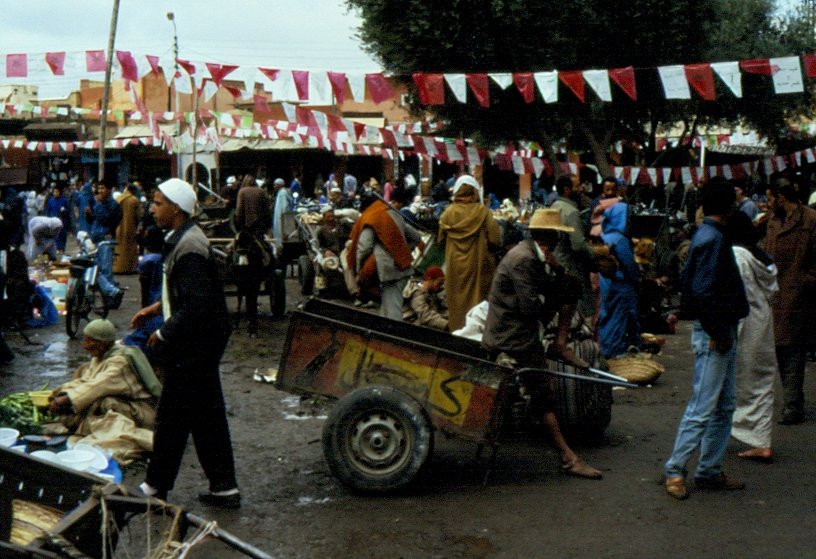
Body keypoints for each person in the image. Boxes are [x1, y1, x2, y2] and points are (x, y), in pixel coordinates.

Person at [131, 178, 240, 508]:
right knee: (206, 416)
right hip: (201, 341)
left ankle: (154, 487)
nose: (152, 208)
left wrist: (164, 332)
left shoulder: (189, 247)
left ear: (176, 209)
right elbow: (184, 294)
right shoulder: (182, 238)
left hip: (195, 345)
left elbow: (197, 304)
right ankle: (224, 488)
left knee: (172, 418)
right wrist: (156, 308)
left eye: (158, 202)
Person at [482, 208, 601, 480]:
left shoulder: (533, 254)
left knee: (569, 283)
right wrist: (549, 302)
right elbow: (529, 307)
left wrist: (557, 272)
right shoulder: (524, 259)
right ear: (551, 238)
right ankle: (568, 457)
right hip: (511, 335)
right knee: (542, 391)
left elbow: (551, 291)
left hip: (518, 326)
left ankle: (559, 344)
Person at [664, 179, 749, 500]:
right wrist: (717, 331)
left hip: (719, 330)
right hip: (716, 332)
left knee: (724, 405)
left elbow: (692, 286)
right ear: (728, 205)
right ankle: (675, 468)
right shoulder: (713, 239)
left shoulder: (707, 235)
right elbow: (701, 291)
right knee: (703, 406)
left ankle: (709, 469)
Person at [47, 319, 161, 463]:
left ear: (103, 343)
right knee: (83, 383)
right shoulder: (100, 356)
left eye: (90, 341)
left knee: (102, 402)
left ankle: (121, 434)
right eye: (85, 339)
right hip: (127, 404)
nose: (85, 345)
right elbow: (85, 380)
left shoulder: (119, 363)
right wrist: (61, 393)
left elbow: (95, 386)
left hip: (144, 412)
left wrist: (66, 399)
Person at [763, 178, 816, 425]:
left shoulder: (810, 220)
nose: (767, 203)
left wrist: (806, 281)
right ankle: (793, 402)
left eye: (770, 198)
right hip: (777, 294)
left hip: (801, 295)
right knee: (782, 348)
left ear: (781, 198)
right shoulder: (773, 221)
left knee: (793, 348)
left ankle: (793, 405)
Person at [727, 211, 778, 463]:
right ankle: (761, 440)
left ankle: (749, 438)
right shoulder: (760, 256)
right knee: (761, 382)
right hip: (763, 324)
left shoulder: (737, 256)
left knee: (736, 381)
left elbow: (737, 296)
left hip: (745, 325)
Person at [438, 175, 501, 331]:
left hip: (454, 267)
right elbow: (495, 239)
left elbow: (440, 240)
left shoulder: (448, 213)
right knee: (477, 303)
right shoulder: (482, 212)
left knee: (456, 302)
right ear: (474, 192)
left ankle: (456, 332)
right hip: (478, 265)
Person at [347, 188, 421, 320]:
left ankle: (396, 338)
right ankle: (385, 336)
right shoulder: (394, 214)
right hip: (402, 267)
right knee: (387, 307)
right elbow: (416, 237)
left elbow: (364, 247)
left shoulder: (372, 217)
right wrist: (404, 250)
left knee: (392, 310)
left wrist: (359, 270)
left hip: (389, 271)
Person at [598, 203, 641, 358]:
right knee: (619, 318)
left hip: (606, 283)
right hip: (621, 285)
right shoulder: (619, 239)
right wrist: (637, 282)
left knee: (608, 316)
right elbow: (629, 266)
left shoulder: (604, 236)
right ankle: (616, 352)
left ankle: (607, 350)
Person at [550, 175, 597, 318]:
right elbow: (578, 245)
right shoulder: (571, 212)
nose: (581, 189)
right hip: (571, 269)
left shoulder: (554, 207)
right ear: (567, 190)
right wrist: (595, 254)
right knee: (577, 313)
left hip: (556, 265)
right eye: (577, 186)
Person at [86, 180, 124, 308]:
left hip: (106, 240)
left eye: (103, 188)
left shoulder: (113, 205)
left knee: (106, 270)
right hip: (96, 239)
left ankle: (112, 297)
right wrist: (88, 214)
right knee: (96, 269)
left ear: (109, 190)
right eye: (99, 188)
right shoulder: (98, 204)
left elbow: (106, 219)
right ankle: (111, 295)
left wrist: (94, 210)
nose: (100, 191)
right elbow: (93, 220)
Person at [403, 266, 448, 330]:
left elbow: (440, 310)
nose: (440, 286)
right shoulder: (417, 293)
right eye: (439, 283)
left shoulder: (432, 294)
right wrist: (447, 325)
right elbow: (425, 316)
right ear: (430, 279)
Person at [113, 183, 143, 274]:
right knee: (130, 249)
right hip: (130, 228)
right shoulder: (134, 200)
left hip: (118, 228)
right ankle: (129, 268)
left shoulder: (118, 199)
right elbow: (139, 215)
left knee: (119, 248)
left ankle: (118, 268)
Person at [44, 184, 70, 252]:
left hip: (62, 221)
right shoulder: (50, 200)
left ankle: (61, 249)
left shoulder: (64, 200)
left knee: (61, 236)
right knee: (54, 237)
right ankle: (55, 250)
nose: (55, 193)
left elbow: (68, 210)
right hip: (52, 222)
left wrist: (64, 210)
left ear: (60, 192)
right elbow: (47, 211)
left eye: (57, 192)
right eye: (54, 192)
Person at [271, 177, 291, 254]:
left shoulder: (283, 193)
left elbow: (284, 207)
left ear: (279, 185)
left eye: (275, 185)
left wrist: (282, 218)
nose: (274, 187)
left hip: (281, 218)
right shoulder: (280, 192)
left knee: (280, 234)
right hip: (278, 217)